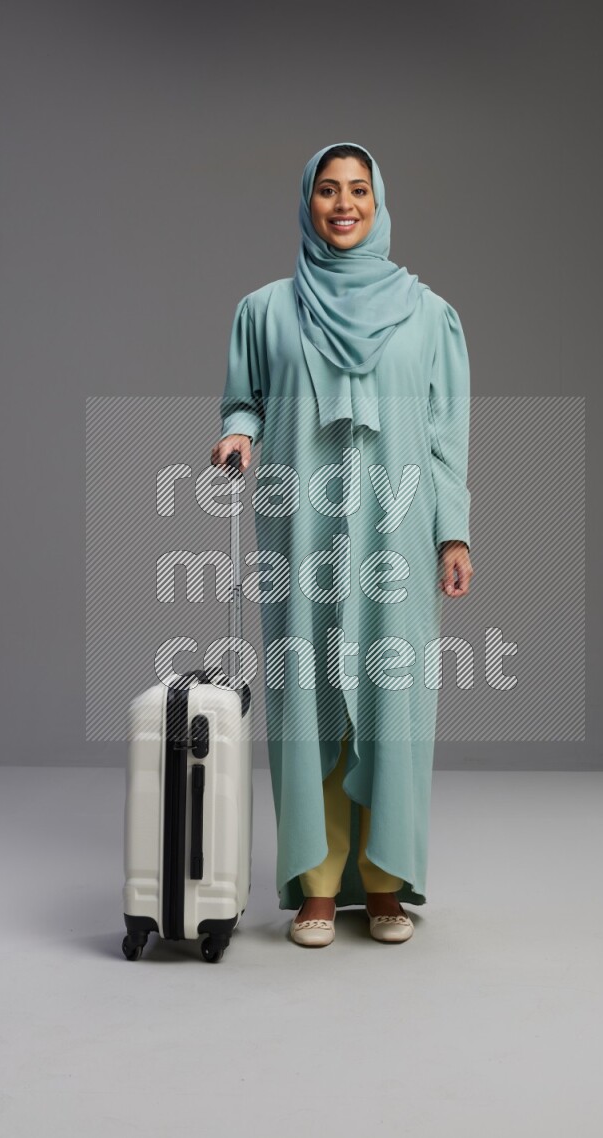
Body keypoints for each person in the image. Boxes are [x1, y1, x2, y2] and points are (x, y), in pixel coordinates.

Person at [210, 141, 473, 948]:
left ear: (379, 202)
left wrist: (454, 532)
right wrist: (238, 433)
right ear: (308, 202)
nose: (344, 203)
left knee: (393, 701)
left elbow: (446, 438)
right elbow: (244, 399)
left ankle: (385, 880)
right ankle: (318, 885)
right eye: (328, 190)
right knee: (308, 701)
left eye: (359, 189)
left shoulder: (429, 315)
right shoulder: (265, 310)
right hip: (302, 530)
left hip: (401, 530)